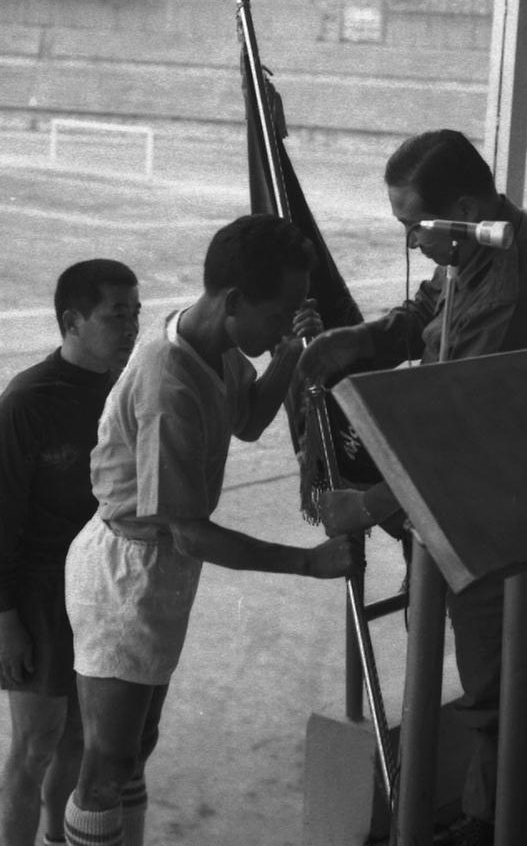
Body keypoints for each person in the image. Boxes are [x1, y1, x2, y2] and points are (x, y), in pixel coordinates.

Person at [299, 129, 527, 846]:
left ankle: (497, 827)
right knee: (496, 686)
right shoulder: (471, 243)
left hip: (508, 514)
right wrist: (361, 341)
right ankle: (489, 816)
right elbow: (427, 313)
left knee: (505, 690)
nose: (412, 248)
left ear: (463, 205)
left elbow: (464, 435)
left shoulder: (514, 283)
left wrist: (367, 505)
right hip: (469, 505)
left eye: (414, 229)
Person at [61, 213, 361, 846]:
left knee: (136, 746)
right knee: (105, 763)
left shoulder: (210, 342)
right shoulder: (168, 381)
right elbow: (191, 532)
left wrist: (289, 353)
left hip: (160, 567)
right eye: (278, 316)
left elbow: (248, 417)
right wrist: (308, 562)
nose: (283, 324)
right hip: (126, 575)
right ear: (232, 301)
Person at [0, 259, 141, 846]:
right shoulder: (27, 402)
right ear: (72, 321)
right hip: (42, 595)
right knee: (35, 744)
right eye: (116, 314)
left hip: (105, 589)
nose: (132, 326)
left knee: (80, 741)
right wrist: (5, 621)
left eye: (137, 312)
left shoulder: (129, 387)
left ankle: (57, 839)